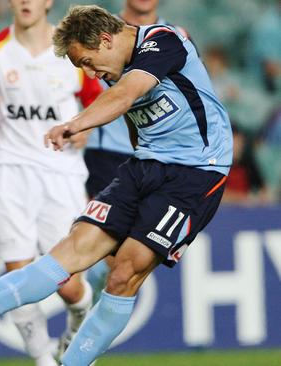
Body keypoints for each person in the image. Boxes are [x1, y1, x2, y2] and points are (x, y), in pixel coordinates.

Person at [0, 5, 233, 366]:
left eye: (86, 61)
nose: (88, 72)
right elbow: (133, 115)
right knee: (72, 248)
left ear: (106, 39)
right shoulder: (112, 67)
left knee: (125, 271)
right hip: (145, 164)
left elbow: (126, 96)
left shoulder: (164, 41)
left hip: (195, 173)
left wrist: (75, 124)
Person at [0, 1, 103, 365]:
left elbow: (100, 102)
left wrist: (86, 127)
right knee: (16, 274)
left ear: (48, 2)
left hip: (61, 172)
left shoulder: (71, 49)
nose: (25, 2)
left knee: (68, 284)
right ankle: (43, 359)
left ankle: (80, 316)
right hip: (11, 171)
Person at [83, 0, 192, 304]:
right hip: (107, 152)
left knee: (130, 258)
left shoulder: (175, 34)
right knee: (107, 249)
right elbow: (77, 83)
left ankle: (85, 318)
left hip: (160, 158)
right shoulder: (100, 33)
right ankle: (83, 323)